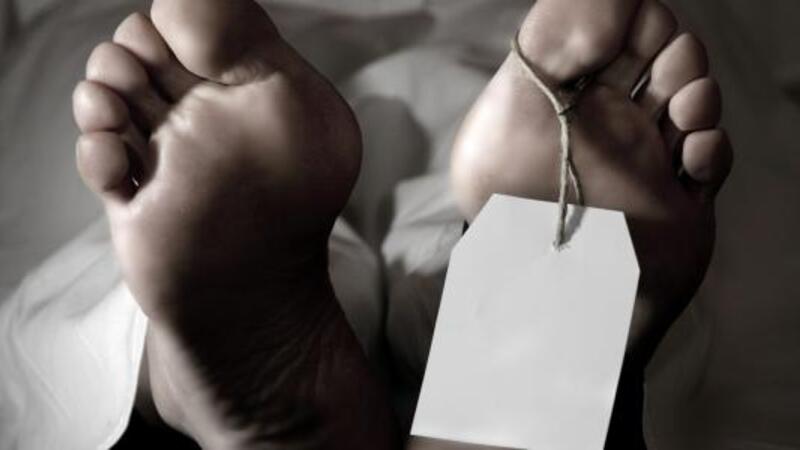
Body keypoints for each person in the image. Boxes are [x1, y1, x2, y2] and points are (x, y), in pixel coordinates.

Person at [71, 0, 732, 447]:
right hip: (504, 95)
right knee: (459, 245)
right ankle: (515, 374)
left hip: (249, 142)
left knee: (147, 270)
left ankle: (179, 385)